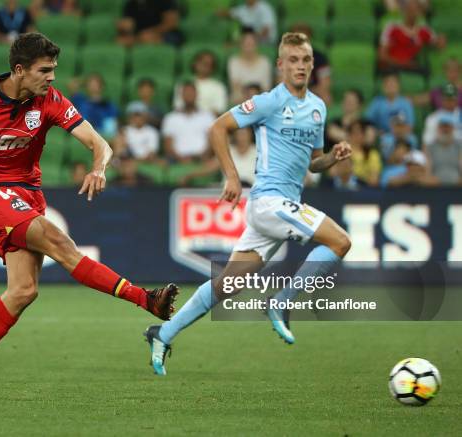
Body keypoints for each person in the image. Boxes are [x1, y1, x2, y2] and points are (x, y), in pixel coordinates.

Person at [0, 33, 179, 403]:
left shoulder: (50, 101)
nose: (51, 77)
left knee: (24, 291)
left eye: (54, 70)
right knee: (60, 242)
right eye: (44, 70)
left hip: (27, 192)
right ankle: (145, 300)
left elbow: (100, 143)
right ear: (19, 70)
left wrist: (99, 167)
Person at [143, 32, 353, 375]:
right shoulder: (269, 102)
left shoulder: (318, 108)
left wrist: (333, 157)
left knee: (230, 283)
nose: (300, 66)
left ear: (313, 65)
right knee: (340, 241)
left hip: (283, 206)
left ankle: (163, 333)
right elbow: (217, 128)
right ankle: (281, 302)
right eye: (293, 60)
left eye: (305, 60)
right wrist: (231, 176)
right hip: (269, 202)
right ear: (280, 65)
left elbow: (313, 163)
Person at [378, 0, 445, 72]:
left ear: (419, 13)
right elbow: (382, 56)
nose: (412, 13)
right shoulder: (392, 28)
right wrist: (403, 63)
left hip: (413, 69)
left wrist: (440, 42)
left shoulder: (424, 30)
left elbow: (437, 46)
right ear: (404, 11)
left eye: (415, 10)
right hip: (393, 68)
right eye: (410, 10)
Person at [162, 81, 215, 163]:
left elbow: (212, 142)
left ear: (197, 94)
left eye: (191, 93)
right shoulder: (170, 118)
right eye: (186, 93)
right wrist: (181, 159)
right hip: (177, 161)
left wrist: (202, 157)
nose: (189, 95)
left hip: (202, 160)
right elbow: (168, 146)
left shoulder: (208, 117)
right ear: (181, 95)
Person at [173, 50, 228, 115]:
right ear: (194, 63)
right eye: (202, 62)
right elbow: (178, 107)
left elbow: (219, 111)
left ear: (213, 67)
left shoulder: (218, 86)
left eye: (208, 64)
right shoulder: (183, 84)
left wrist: (200, 118)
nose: (204, 66)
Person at [227, 29, 272, 104]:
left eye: (251, 44)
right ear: (240, 44)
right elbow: (235, 87)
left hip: (260, 98)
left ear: (256, 44)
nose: (249, 47)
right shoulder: (233, 61)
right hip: (240, 99)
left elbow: (266, 87)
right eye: (246, 44)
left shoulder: (265, 62)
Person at [70, 73, 119, 139]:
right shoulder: (80, 101)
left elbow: (110, 128)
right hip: (82, 134)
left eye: (96, 84)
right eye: (90, 83)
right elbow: (72, 87)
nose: (93, 86)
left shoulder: (108, 106)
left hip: (101, 136)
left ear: (102, 86)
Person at [117, 0, 183, 47]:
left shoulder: (165, 1)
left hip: (165, 34)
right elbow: (128, 25)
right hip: (139, 36)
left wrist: (153, 33)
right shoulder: (130, 4)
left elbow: (171, 24)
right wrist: (124, 28)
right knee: (120, 41)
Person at [426, 113, 461, 186]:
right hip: (436, 187)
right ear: (438, 128)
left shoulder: (459, 146)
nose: (445, 129)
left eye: (448, 126)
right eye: (442, 126)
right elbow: (427, 169)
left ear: (453, 128)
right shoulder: (430, 147)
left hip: (457, 187)